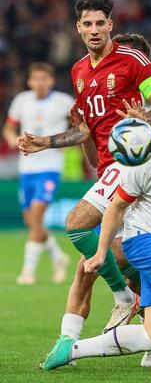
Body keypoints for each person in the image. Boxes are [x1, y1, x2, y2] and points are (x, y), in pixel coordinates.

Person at [17, 0, 151, 343]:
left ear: (110, 25)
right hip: (108, 168)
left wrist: (142, 119)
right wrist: (46, 141)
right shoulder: (78, 72)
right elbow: (86, 128)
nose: (94, 29)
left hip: (134, 162)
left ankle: (121, 299)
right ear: (78, 28)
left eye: (100, 22)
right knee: (123, 264)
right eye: (87, 23)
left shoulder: (132, 60)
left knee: (77, 223)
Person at [39, 92, 151, 375]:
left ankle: (72, 349)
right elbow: (116, 208)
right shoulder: (148, 159)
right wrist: (101, 251)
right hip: (142, 240)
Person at [3, 62, 73, 284]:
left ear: (51, 80)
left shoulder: (64, 101)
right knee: (31, 221)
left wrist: (68, 143)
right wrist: (11, 139)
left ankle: (28, 271)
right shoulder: (21, 100)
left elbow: (82, 126)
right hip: (27, 168)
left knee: (37, 215)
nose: (40, 82)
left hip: (50, 167)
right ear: (29, 81)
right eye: (36, 78)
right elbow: (9, 127)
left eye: (44, 78)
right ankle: (58, 257)